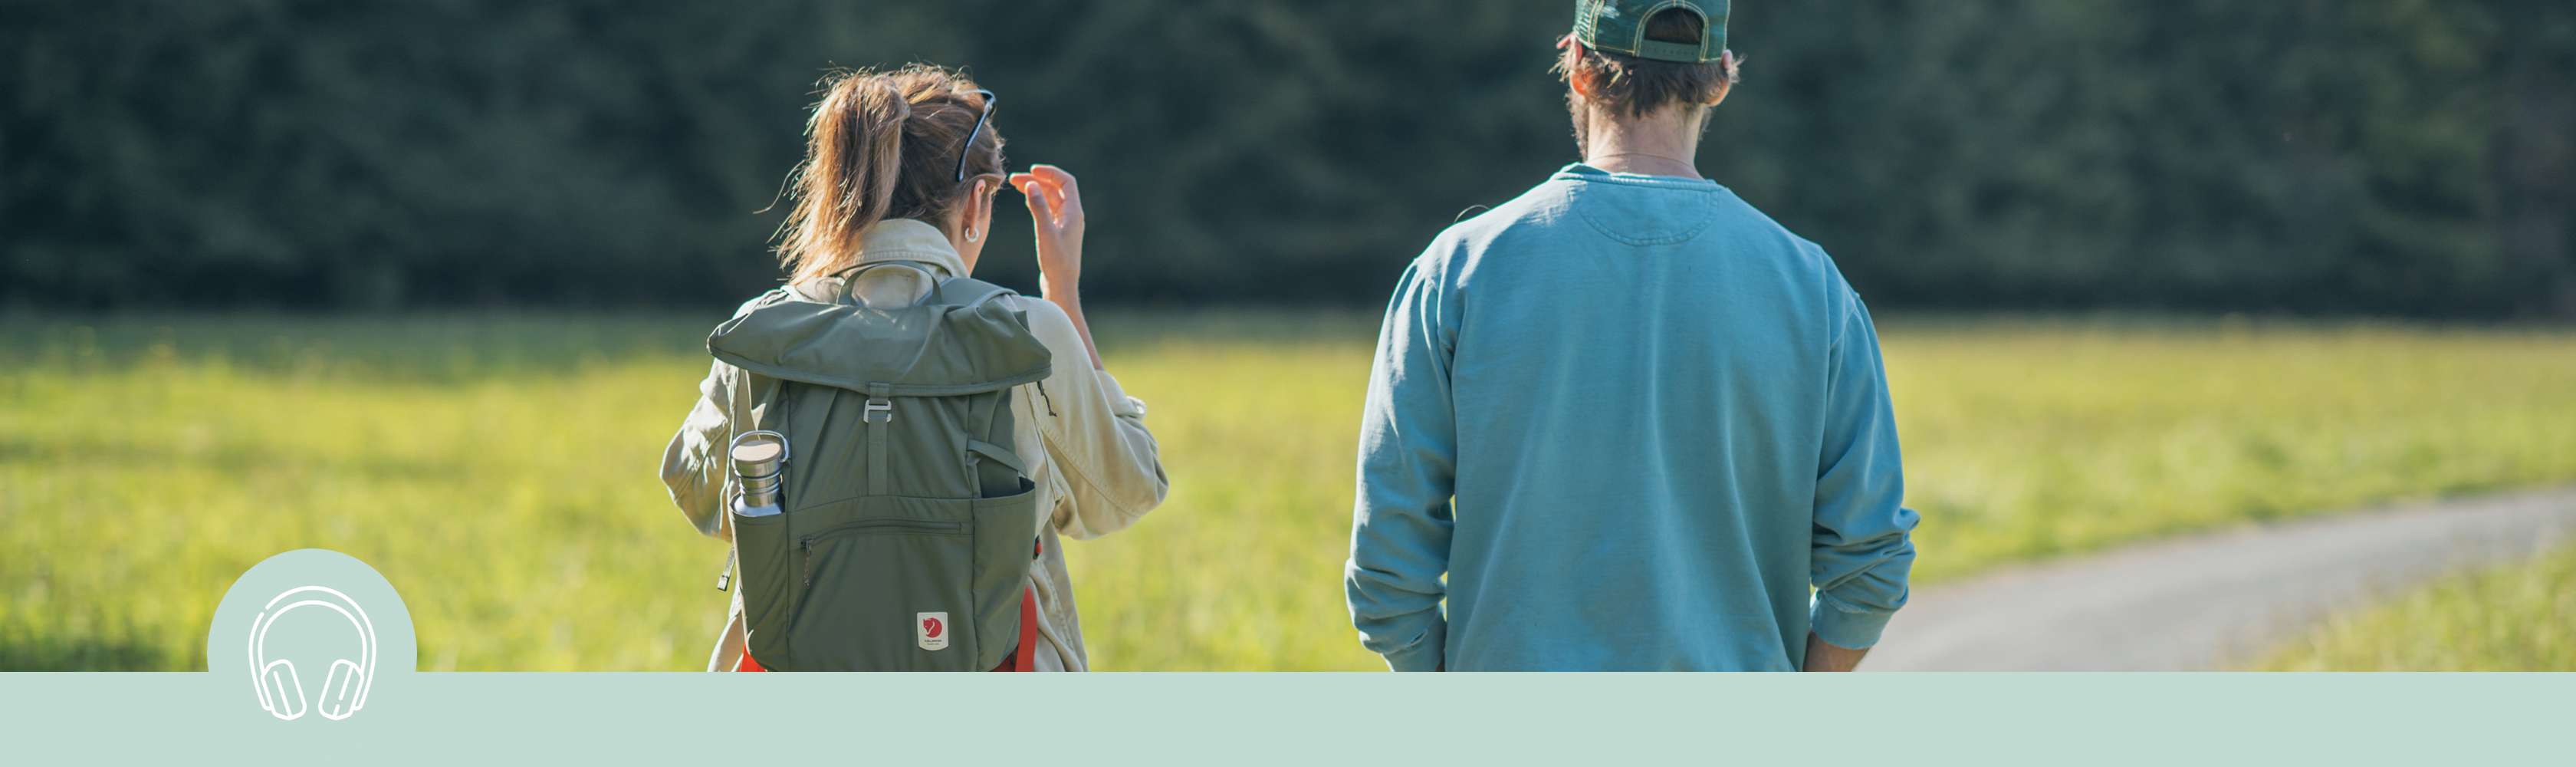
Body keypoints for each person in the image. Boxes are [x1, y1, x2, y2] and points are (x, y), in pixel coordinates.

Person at [1343, 1, 1917, 672]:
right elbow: (1871, 559)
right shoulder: (1811, 285)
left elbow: (1389, 554)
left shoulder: (1459, 269)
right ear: (1722, 78)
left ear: (1578, 66)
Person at [662, 64, 1168, 671]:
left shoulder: (766, 336)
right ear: (978, 199)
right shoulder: (1029, 335)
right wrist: (1063, 295)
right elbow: (1124, 491)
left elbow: (698, 492)